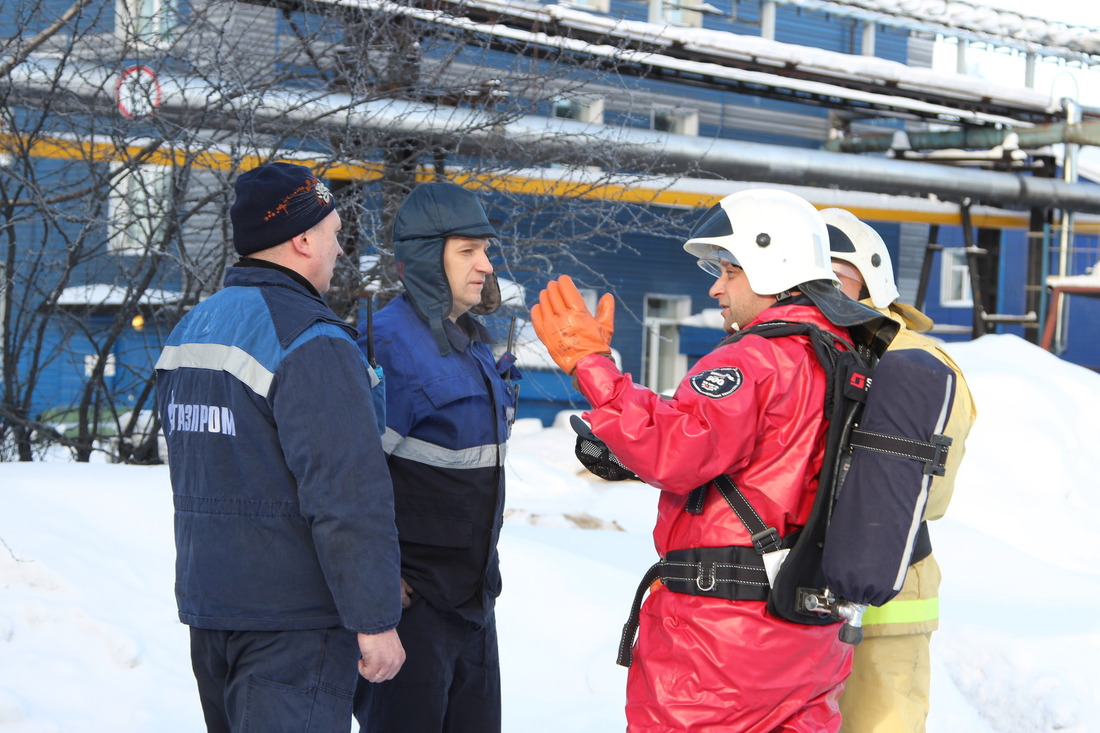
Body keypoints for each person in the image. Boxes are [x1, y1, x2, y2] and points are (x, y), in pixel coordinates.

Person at [531, 189, 889, 732]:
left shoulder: (757, 356)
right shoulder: (839, 353)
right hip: (808, 636)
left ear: (774, 266)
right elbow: (732, 446)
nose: (715, 287)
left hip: (723, 646)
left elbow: (675, 451)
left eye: (730, 270)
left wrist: (591, 367)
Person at [155, 162, 405, 732]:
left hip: (213, 607)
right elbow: (346, 491)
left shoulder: (192, 329)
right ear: (301, 238)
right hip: (294, 625)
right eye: (333, 234)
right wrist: (375, 619)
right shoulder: (309, 339)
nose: (339, 250)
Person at [354, 181, 519, 733]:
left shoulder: (470, 342)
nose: (485, 265)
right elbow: (347, 477)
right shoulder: (388, 347)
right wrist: (379, 583)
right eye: (467, 251)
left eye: (485, 251)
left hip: (472, 602)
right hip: (412, 611)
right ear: (426, 258)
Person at [822, 207, 976, 733]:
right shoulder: (799, 346)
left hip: (886, 589)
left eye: (833, 275)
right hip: (799, 586)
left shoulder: (918, 364)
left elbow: (928, 492)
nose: (816, 289)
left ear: (870, 281)